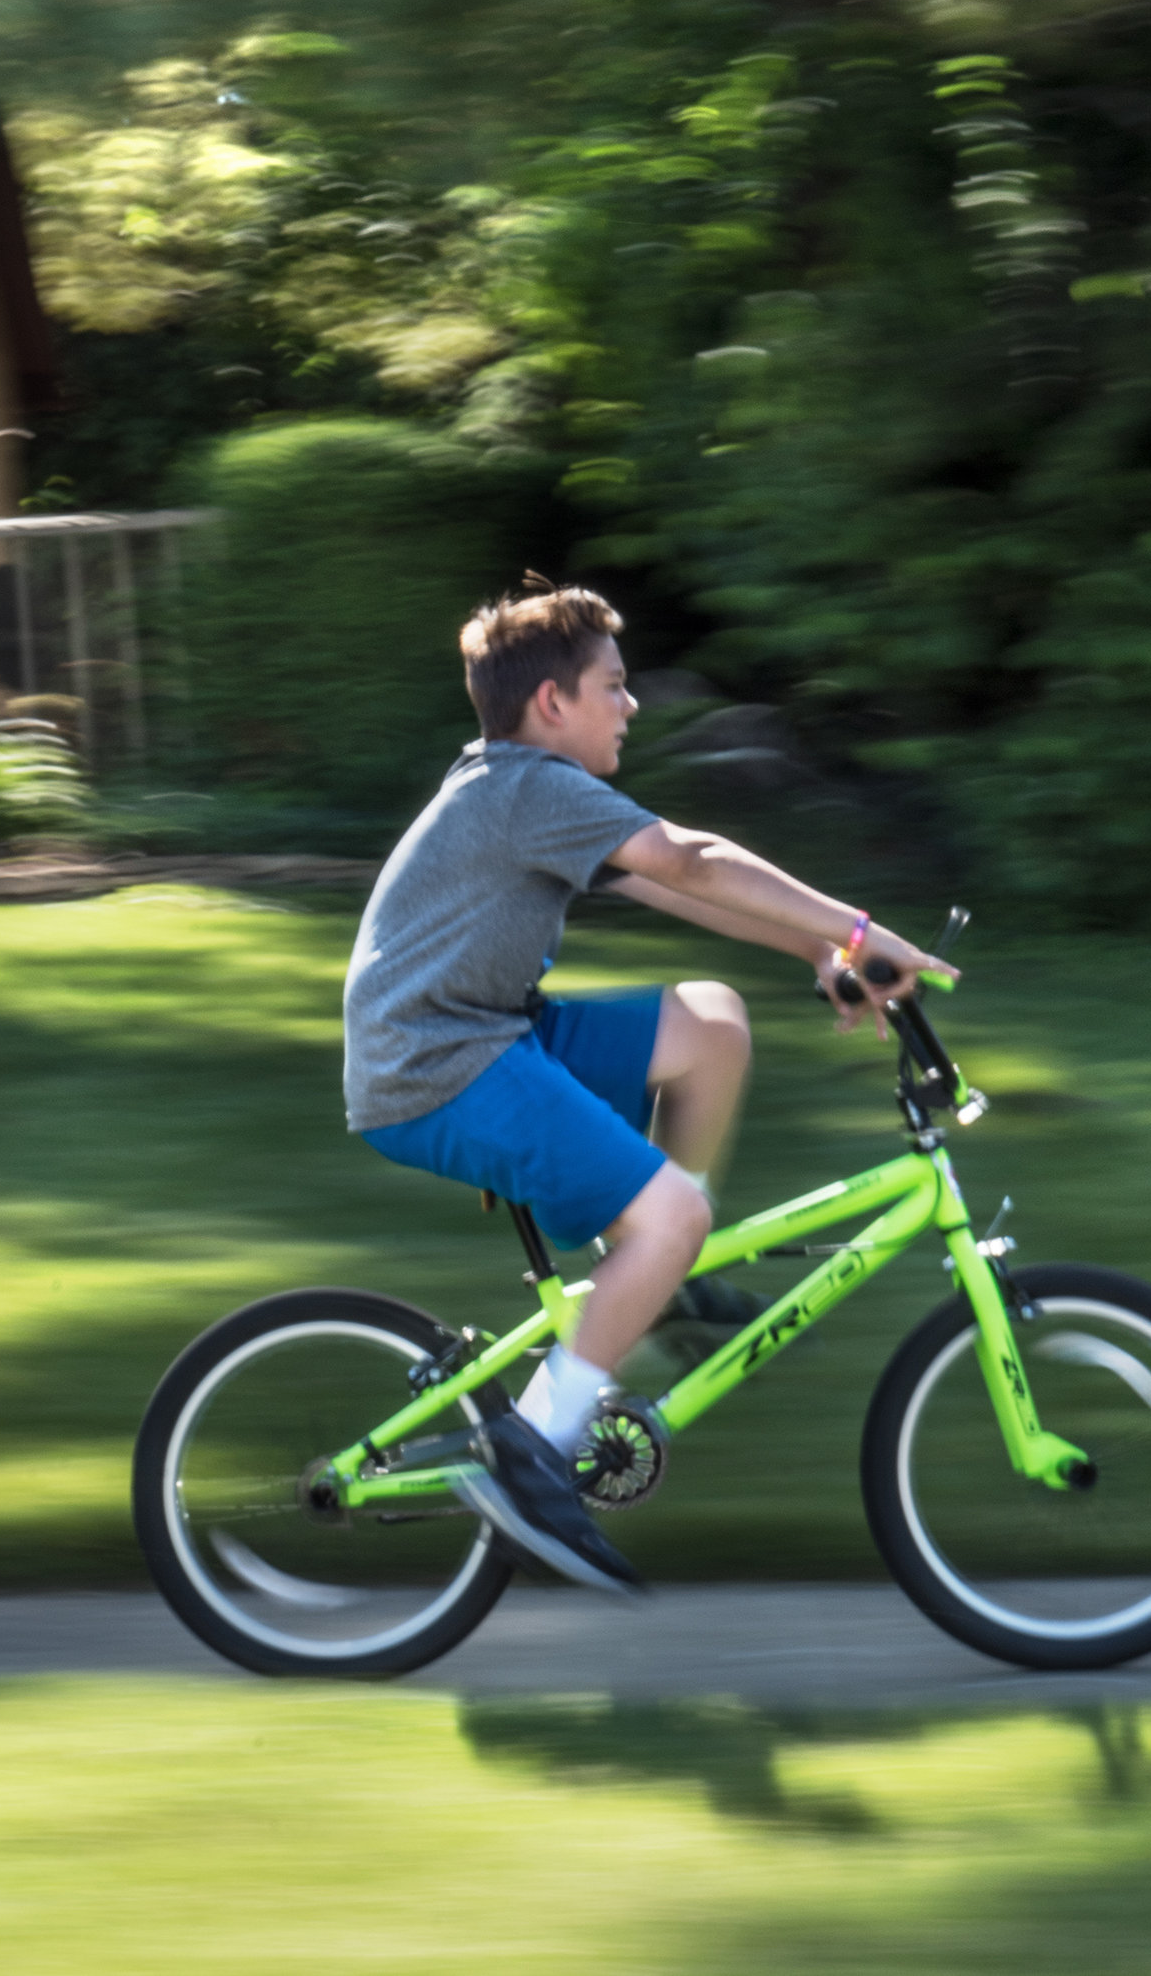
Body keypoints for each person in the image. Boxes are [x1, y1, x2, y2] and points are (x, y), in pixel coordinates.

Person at [343, 575, 954, 1596]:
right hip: (437, 1064)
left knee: (711, 1023)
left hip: (486, 1032)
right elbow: (692, 856)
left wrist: (815, 948)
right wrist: (856, 929)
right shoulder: (526, 789)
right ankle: (536, 1450)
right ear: (552, 705)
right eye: (613, 687)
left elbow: (674, 884)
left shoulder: (518, 786)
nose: (630, 706)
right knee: (662, 1212)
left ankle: (665, 1274)